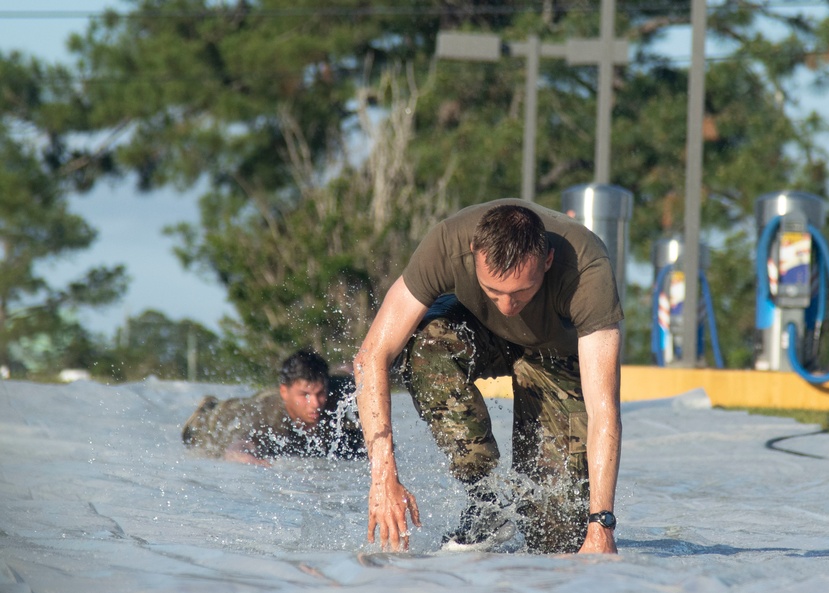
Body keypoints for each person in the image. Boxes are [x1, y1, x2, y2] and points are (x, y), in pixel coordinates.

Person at [354, 199, 623, 555]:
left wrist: (601, 524)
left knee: (557, 543)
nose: (508, 306)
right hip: (480, 333)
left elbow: (604, 410)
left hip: (554, 357)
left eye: (521, 292)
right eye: (493, 291)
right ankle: (486, 501)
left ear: (547, 262)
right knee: (426, 346)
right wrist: (383, 478)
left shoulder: (588, 271)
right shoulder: (447, 243)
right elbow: (371, 356)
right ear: (473, 253)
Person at [182, 348, 365, 466]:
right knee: (209, 446)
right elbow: (236, 449)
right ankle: (208, 407)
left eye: (320, 393)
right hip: (216, 421)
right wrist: (252, 461)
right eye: (305, 395)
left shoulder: (337, 387)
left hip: (279, 416)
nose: (315, 403)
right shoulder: (267, 417)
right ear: (284, 391)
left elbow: (352, 369)